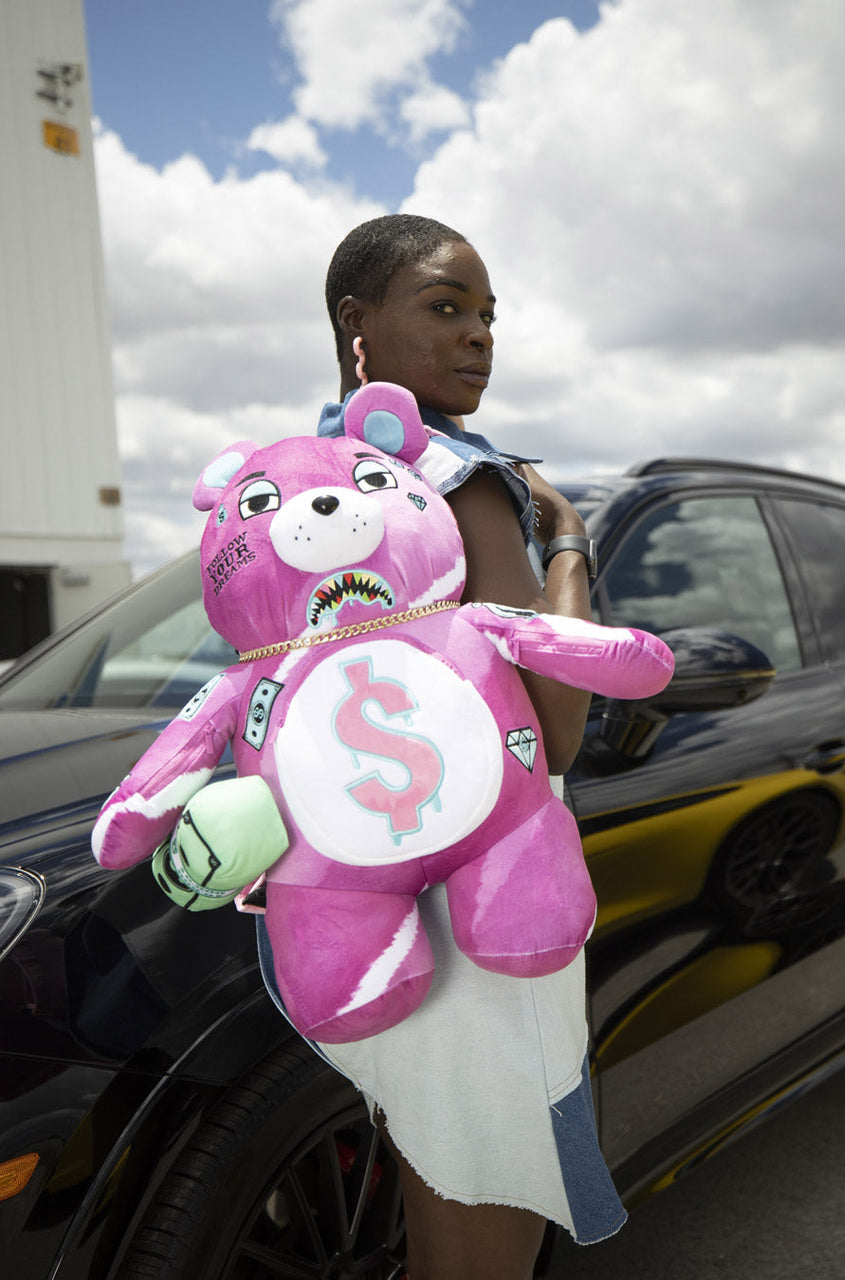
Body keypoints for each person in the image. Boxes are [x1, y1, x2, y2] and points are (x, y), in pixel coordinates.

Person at [259, 213, 626, 1280]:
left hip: (342, 892)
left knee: (431, 1187)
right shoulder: (461, 476)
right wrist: (567, 538)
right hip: (485, 896)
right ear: (356, 324)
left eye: (488, 316)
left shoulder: (302, 484)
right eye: (446, 306)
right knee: (486, 1213)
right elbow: (557, 723)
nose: (478, 336)